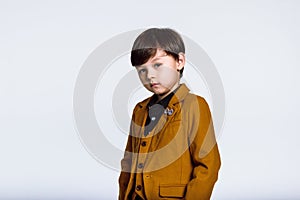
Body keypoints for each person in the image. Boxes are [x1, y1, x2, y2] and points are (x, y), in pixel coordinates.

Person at [118, 28, 221, 200]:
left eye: (157, 65)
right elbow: (128, 162)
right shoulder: (140, 110)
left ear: (179, 61)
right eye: (142, 70)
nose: (150, 75)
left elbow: (208, 166)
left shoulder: (194, 106)